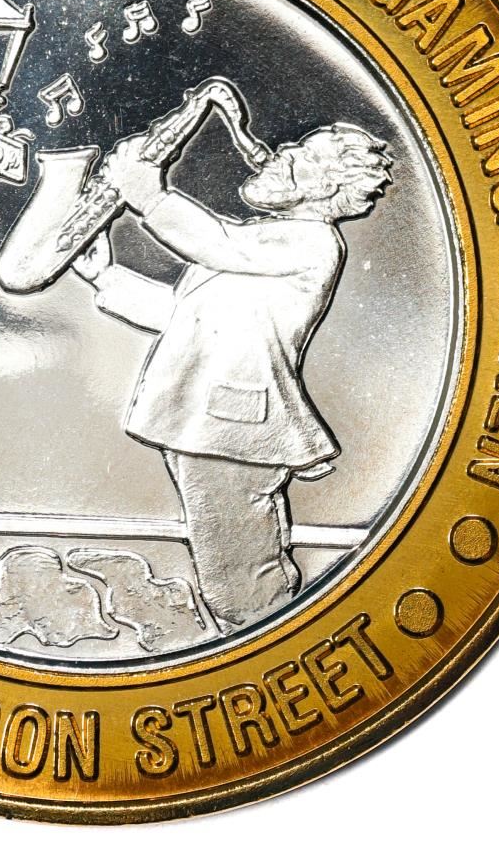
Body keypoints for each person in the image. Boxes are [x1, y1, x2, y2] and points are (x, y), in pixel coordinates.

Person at [73, 122, 393, 632]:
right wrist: (106, 277)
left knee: (240, 573)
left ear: (328, 185)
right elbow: (186, 317)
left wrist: (148, 195)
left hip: (237, 429)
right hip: (202, 423)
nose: (278, 153)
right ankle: (248, 637)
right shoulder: (262, 239)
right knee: (221, 554)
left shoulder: (312, 241)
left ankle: (261, 640)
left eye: (299, 155)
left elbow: (216, 244)